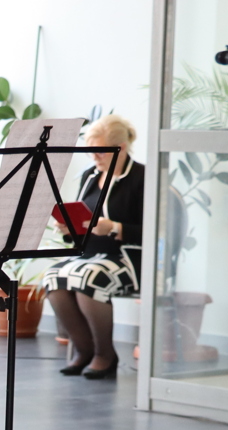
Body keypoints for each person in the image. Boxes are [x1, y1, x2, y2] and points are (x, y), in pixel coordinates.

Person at [46, 114, 146, 379]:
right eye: (90, 151)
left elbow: (155, 231)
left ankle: (105, 354)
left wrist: (114, 227)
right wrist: (70, 229)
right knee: (54, 277)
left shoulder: (142, 178)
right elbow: (84, 224)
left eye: (100, 151)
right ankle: (84, 350)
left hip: (129, 257)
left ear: (120, 148)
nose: (94, 157)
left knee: (89, 278)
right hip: (90, 254)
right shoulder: (90, 177)